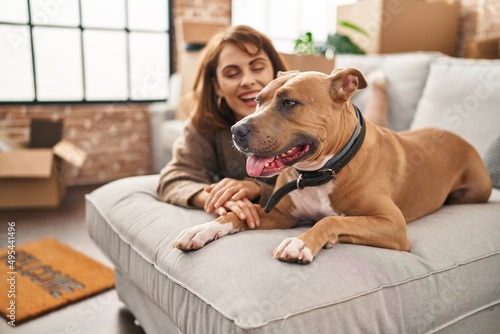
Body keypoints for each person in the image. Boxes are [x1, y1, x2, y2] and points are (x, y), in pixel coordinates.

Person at [157, 25, 289, 229]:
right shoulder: (205, 122)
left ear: (276, 73)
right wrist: (216, 197)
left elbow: (312, 190)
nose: (248, 80)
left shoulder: (302, 120)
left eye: (257, 68)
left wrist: (255, 188)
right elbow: (174, 177)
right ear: (217, 86)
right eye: (232, 74)